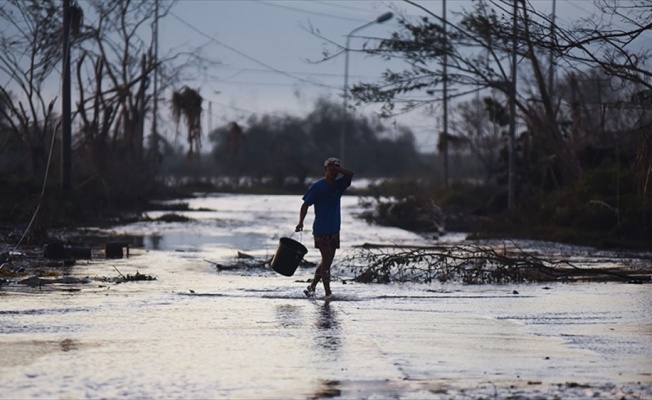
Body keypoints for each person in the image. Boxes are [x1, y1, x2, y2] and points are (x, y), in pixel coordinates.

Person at [295, 157, 354, 299]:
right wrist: (301, 222)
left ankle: (312, 286)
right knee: (326, 257)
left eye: (335, 169)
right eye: (330, 169)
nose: (333, 172)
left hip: (334, 228)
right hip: (321, 229)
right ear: (325, 169)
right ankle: (328, 292)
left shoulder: (339, 185)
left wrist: (337, 168)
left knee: (327, 261)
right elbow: (305, 205)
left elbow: (350, 174)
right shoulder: (317, 187)